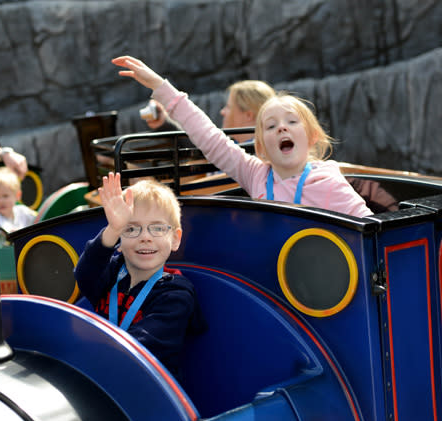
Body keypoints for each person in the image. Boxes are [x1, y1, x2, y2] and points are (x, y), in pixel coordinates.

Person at [112, 56, 373, 218]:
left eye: (292, 122)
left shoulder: (328, 182)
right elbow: (210, 138)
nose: (281, 128)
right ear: (260, 147)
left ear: (313, 137)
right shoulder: (256, 174)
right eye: (270, 127)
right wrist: (161, 87)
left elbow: (371, 228)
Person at [74, 172, 205, 380]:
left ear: (175, 239)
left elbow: (142, 346)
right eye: (132, 228)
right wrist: (113, 229)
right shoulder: (112, 273)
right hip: (103, 376)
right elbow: (84, 274)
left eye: (158, 228)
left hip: (148, 391)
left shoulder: (176, 295)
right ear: (119, 239)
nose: (145, 237)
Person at [143, 79, 275, 143]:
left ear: (248, 115)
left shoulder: (253, 154)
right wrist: (165, 124)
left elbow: (205, 147)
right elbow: (201, 148)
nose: (222, 112)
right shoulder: (236, 146)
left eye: (228, 107)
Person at [0, 166, 37, 234]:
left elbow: (39, 218)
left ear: (17, 195)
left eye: (5, 196)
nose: (0, 201)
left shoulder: (23, 211)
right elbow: (7, 232)